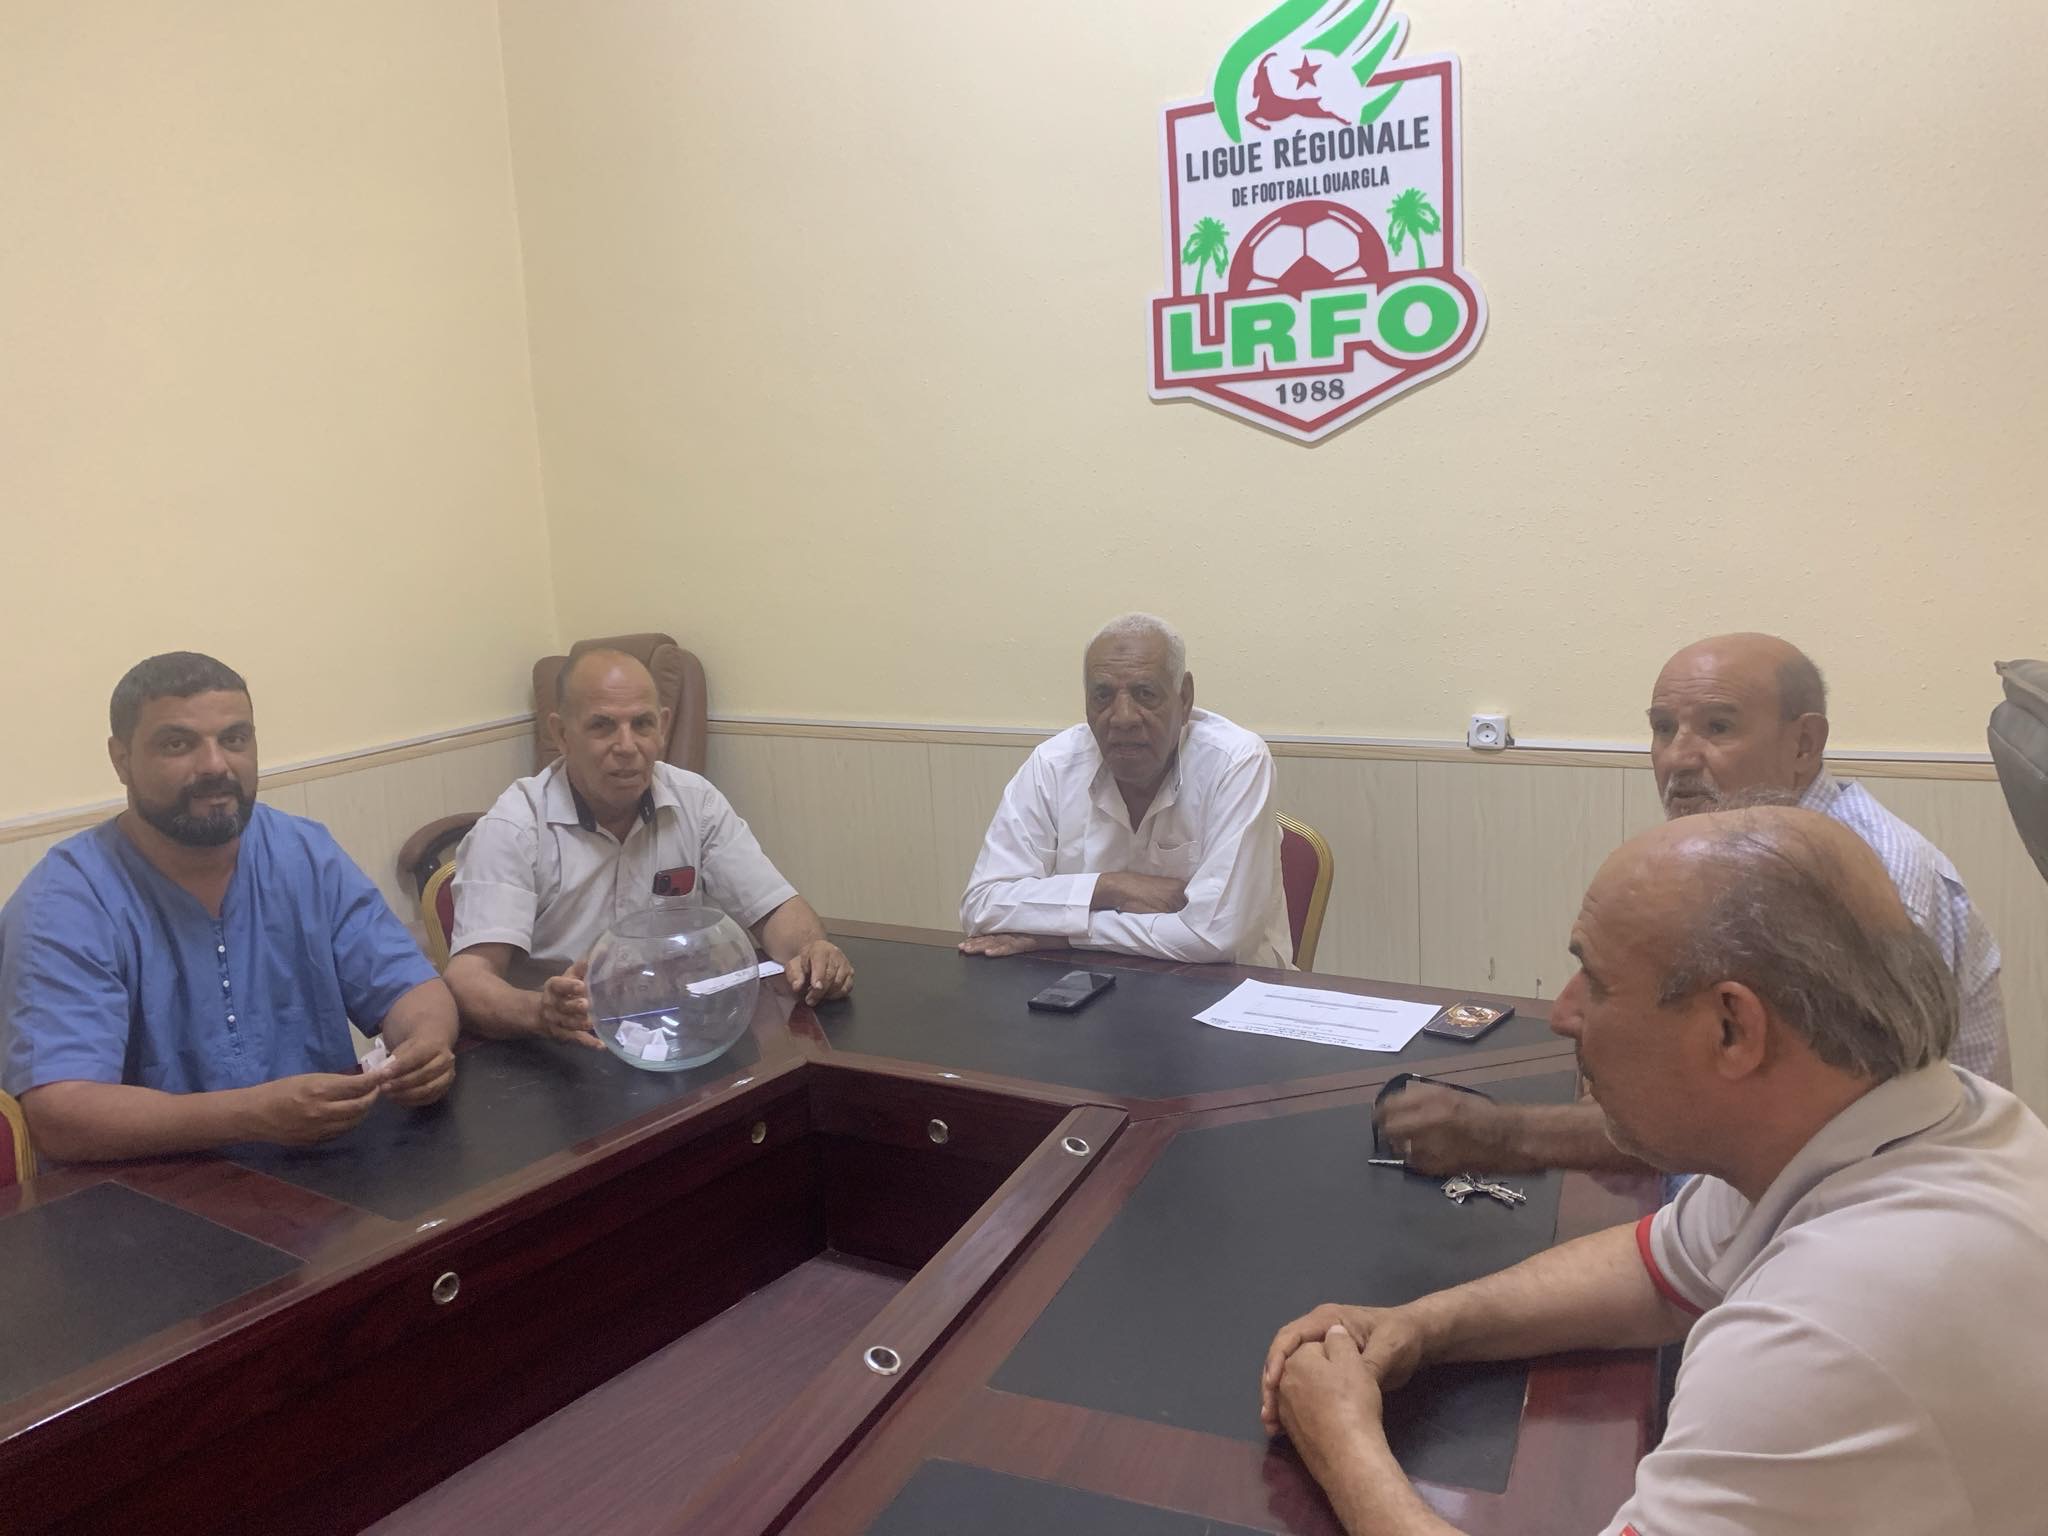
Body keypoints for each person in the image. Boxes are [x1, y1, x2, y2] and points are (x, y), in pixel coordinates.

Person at [1262, 808, 2048, 1536]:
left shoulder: (1826, 1334)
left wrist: (1343, 1441)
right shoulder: (1904, 1116)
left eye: (1597, 983)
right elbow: (1655, 1270)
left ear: (1733, 1029)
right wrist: (1421, 1327)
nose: (1564, 1014)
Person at [1380, 632, 2011, 1175]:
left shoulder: (1860, 876)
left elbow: (1777, 1124)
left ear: (1803, 744)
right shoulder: (1740, 845)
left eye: (1718, 727)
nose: (1678, 758)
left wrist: (1506, 1135)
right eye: (1663, 728)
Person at [0, 653, 456, 1162]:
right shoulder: (63, 903)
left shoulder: (303, 852)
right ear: (121, 759)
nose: (215, 765)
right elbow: (62, 1116)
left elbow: (410, 985)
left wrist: (426, 1044)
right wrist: (250, 1115)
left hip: (328, 1169)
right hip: (147, 1192)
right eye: (178, 744)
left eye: (235, 739)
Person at [444, 645, 852, 1047]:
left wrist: (812, 950)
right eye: (602, 725)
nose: (627, 746)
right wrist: (540, 1012)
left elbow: (774, 909)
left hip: (676, 1031)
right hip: (557, 1047)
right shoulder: (513, 828)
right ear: (562, 735)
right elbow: (469, 980)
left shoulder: (696, 802)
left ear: (663, 727)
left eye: (642, 724)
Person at [959, 613, 1291, 967]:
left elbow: (1213, 937)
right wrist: (1110, 888)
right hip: (1094, 982)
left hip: (1227, 986)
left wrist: (1064, 933)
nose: (1123, 718)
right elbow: (982, 906)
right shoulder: (1053, 764)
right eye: (1102, 696)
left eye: (1145, 694)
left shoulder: (1236, 761)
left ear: (1184, 699)